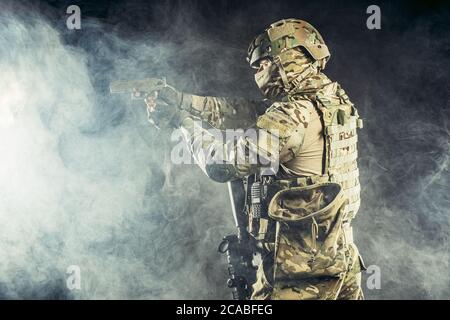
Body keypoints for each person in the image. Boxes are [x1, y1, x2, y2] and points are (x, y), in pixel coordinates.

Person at [144, 18, 365, 300]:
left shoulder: (292, 114)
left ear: (287, 59)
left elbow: (222, 165)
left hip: (299, 275)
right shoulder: (331, 100)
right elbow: (246, 112)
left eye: (263, 64)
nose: (259, 73)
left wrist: (180, 121)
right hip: (340, 257)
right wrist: (182, 100)